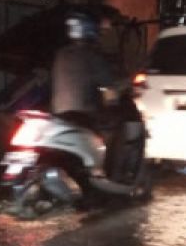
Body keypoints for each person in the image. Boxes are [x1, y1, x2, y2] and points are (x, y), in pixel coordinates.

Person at [50, 11, 133, 181]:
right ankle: (108, 175)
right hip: (84, 114)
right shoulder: (92, 56)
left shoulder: (62, 54)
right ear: (91, 32)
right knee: (114, 130)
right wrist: (128, 84)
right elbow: (111, 86)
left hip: (59, 113)